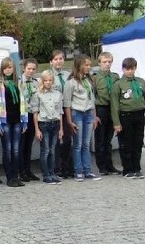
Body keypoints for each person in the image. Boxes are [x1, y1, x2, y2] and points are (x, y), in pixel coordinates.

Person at [111, 57, 145, 179]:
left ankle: (137, 168)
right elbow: (114, 105)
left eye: (132, 69)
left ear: (135, 68)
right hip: (125, 115)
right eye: (127, 69)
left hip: (139, 115)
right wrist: (116, 122)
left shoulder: (140, 82)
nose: (129, 71)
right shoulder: (118, 84)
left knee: (138, 143)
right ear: (123, 69)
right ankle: (127, 169)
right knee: (126, 143)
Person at [64, 54, 101, 182]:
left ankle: (87, 170)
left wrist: (94, 116)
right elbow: (67, 103)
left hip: (88, 113)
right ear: (79, 65)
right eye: (86, 65)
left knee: (86, 144)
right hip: (77, 113)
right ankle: (78, 171)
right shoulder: (71, 82)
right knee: (78, 144)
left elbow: (92, 99)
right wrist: (69, 120)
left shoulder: (89, 80)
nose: (89, 67)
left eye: (90, 65)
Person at [0, 57, 27, 187]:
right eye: (5, 68)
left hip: (17, 119)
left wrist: (25, 120)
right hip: (5, 120)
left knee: (16, 149)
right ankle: (9, 177)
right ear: (2, 69)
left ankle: (15, 175)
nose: (8, 70)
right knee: (8, 149)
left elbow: (24, 101)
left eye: (10, 67)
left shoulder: (18, 82)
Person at [31, 71, 64, 185]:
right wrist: (36, 129)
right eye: (46, 80)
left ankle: (52, 173)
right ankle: (46, 175)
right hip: (44, 123)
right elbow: (35, 112)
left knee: (53, 150)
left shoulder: (57, 94)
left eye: (50, 80)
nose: (48, 82)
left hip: (55, 123)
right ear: (42, 81)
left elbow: (60, 112)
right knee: (46, 150)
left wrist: (61, 128)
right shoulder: (37, 94)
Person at [93, 52, 121, 175]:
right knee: (100, 139)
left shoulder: (115, 77)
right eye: (104, 62)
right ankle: (102, 166)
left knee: (108, 139)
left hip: (112, 108)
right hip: (101, 108)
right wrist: (94, 114)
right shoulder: (95, 78)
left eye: (109, 62)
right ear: (99, 63)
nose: (107, 64)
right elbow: (92, 95)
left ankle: (110, 165)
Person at [50, 50, 73, 178]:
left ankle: (67, 167)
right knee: (56, 141)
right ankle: (56, 167)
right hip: (54, 111)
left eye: (61, 59)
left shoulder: (67, 75)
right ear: (51, 61)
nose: (59, 61)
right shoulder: (48, 75)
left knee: (68, 140)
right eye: (56, 59)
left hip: (67, 109)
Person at [19, 58, 40, 182]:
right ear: (24, 68)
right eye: (29, 69)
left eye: (33, 69)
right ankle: (21, 171)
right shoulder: (19, 82)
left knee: (28, 145)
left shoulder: (36, 82)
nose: (31, 71)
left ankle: (28, 169)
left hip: (33, 114)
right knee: (21, 144)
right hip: (22, 115)